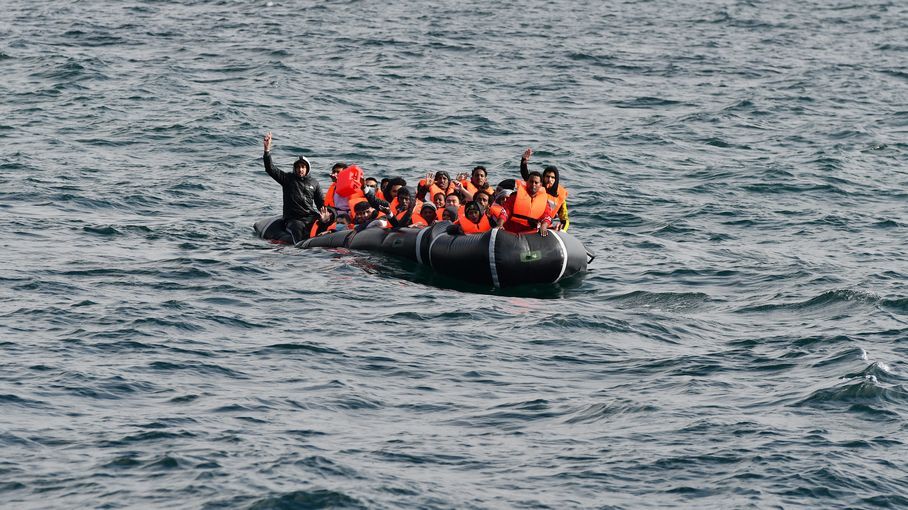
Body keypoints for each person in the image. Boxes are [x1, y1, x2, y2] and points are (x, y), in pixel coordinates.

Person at [262, 132, 330, 243]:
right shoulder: (287, 179)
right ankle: (301, 252)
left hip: (310, 216)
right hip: (293, 219)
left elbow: (320, 203)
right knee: (298, 230)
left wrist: (326, 217)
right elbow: (270, 169)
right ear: (294, 168)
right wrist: (267, 151)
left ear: (307, 169)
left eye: (303, 167)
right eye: (298, 167)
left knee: (325, 224)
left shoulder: (314, 183)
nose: (300, 169)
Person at [520, 148, 569, 230]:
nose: (550, 180)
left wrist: (562, 228)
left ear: (556, 179)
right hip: (530, 223)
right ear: (543, 177)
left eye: (553, 177)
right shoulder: (538, 186)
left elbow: (564, 219)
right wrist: (524, 161)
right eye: (547, 177)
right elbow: (526, 177)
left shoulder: (560, 195)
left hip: (547, 225)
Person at [501, 171, 553, 237]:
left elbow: (547, 216)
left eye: (536, 182)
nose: (533, 184)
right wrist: (500, 223)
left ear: (540, 185)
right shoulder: (515, 197)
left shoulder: (544, 202)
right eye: (531, 182)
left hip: (530, 235)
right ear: (527, 182)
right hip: (511, 232)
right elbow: (505, 211)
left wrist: (544, 226)